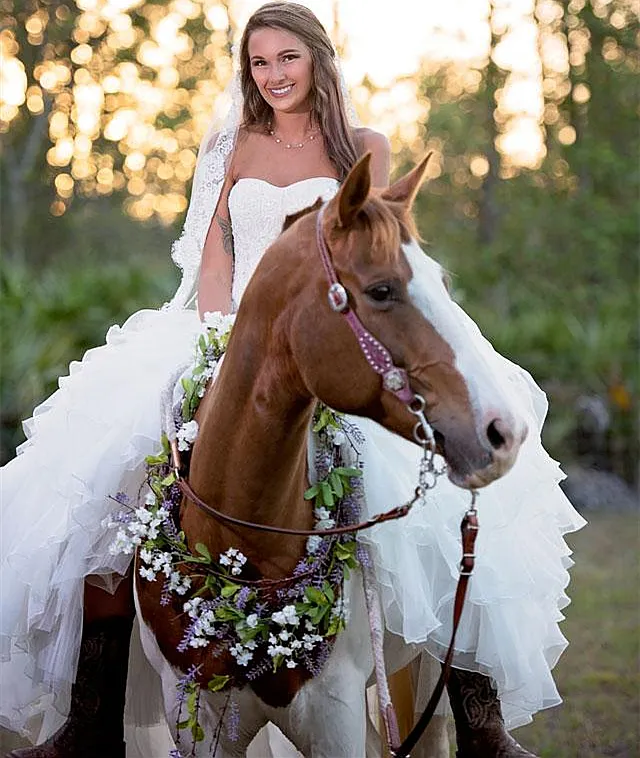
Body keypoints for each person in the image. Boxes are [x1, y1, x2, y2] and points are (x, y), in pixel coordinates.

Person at [0, 3, 586, 757]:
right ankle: (88, 720)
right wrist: (222, 345)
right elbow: (212, 259)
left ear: (318, 59)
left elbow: (382, 257)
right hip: (230, 339)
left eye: (287, 59)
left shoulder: (363, 146)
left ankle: (480, 722)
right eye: (258, 62)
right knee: (105, 495)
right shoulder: (229, 144)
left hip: (335, 343)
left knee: (438, 504)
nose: (273, 76)